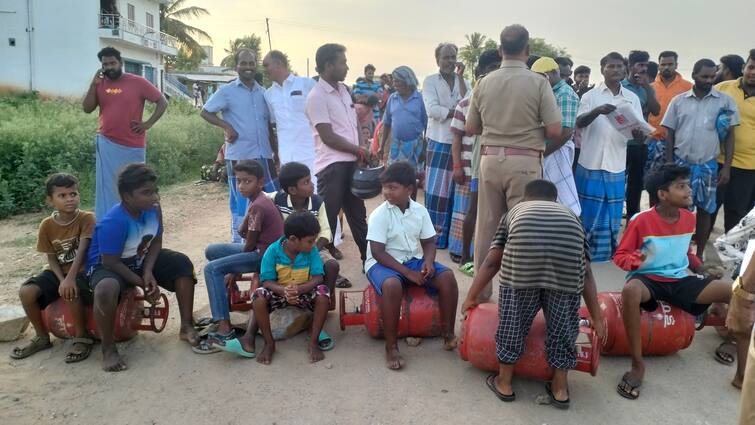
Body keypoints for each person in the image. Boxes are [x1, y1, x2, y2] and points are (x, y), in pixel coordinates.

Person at [462, 179, 605, 409]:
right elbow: (586, 271)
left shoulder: (516, 211)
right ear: (554, 200)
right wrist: (597, 317)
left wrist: (471, 296)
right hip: (565, 280)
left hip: (521, 277)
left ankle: (505, 383)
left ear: (525, 198)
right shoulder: (572, 216)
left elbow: (492, 261)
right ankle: (560, 389)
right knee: (562, 329)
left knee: (513, 324)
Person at [614, 164, 745, 398]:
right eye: (681, 186)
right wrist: (640, 258)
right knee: (631, 291)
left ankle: (731, 340)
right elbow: (620, 257)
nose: (688, 191)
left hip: (678, 280)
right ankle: (637, 364)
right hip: (648, 280)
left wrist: (701, 267)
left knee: (735, 292)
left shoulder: (688, 218)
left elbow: (687, 253)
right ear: (663, 195)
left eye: (687, 185)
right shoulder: (640, 220)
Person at [466, 25, 562, 300]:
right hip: (525, 163)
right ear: (528, 51)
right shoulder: (538, 82)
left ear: (500, 50)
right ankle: (519, 297)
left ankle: (481, 296)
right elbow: (555, 131)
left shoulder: (484, 82)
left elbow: (472, 127)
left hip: (490, 161)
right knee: (523, 230)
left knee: (487, 229)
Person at [84, 164, 198, 371]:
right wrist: (143, 284)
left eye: (155, 190)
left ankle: (186, 325)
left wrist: (147, 271)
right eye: (146, 193)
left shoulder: (153, 209)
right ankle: (108, 349)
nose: (154, 197)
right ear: (127, 196)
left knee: (182, 263)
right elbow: (110, 261)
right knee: (105, 289)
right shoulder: (114, 221)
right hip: (108, 265)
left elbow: (156, 241)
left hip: (139, 258)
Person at [365, 162, 459, 370]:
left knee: (448, 277)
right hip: (381, 262)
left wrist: (427, 262)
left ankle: (448, 334)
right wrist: (408, 273)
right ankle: (391, 347)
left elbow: (429, 242)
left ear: (409, 189)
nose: (387, 192)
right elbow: (378, 252)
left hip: (412, 259)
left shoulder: (420, 211)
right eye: (385, 187)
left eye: (392, 187)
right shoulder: (379, 214)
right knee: (392, 285)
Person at [194, 160, 285, 353]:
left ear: (260, 182)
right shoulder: (258, 200)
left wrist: (232, 270)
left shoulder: (258, 205)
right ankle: (227, 296)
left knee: (212, 269)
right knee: (212, 250)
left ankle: (224, 328)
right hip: (261, 248)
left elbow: (249, 245)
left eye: (247, 181)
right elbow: (246, 232)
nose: (241, 186)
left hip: (264, 256)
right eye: (239, 181)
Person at [10, 174, 96, 363]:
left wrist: (70, 279)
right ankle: (41, 337)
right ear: (50, 200)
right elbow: (51, 257)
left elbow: (82, 250)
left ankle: (82, 337)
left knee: (70, 291)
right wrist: (61, 278)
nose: (69, 199)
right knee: (27, 292)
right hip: (60, 271)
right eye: (62, 195)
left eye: (73, 193)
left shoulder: (86, 218)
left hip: (81, 270)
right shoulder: (47, 225)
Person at [662, 58, 739, 260]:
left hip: (707, 165)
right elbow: (669, 133)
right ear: (694, 75)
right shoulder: (679, 101)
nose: (709, 80)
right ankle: (676, 253)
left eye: (712, 76)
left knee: (705, 210)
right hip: (681, 163)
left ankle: (700, 254)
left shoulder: (725, 102)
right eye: (704, 76)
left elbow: (730, 136)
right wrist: (669, 164)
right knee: (677, 210)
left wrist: (727, 168)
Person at [202, 48, 279, 243]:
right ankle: (239, 244)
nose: (247, 67)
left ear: (256, 65)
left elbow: (269, 126)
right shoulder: (227, 91)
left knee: (269, 198)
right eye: (243, 63)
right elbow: (206, 112)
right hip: (239, 156)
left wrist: (276, 153)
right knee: (240, 202)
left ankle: (265, 242)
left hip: (264, 156)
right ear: (236, 66)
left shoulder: (264, 93)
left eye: (251, 63)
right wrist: (227, 127)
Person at [82, 46, 168, 219]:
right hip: (106, 142)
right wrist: (93, 84)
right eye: (105, 64)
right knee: (108, 187)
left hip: (133, 144)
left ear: (121, 63)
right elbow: (87, 108)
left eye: (112, 63)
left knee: (137, 184)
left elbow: (162, 102)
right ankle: (108, 222)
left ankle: (139, 220)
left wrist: (147, 124)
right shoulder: (100, 84)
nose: (109, 67)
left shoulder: (138, 82)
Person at [575, 51, 644, 262]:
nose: (616, 70)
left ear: (625, 69)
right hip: (590, 162)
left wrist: (640, 135)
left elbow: (639, 133)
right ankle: (581, 252)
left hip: (615, 162)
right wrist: (598, 111)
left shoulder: (632, 98)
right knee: (587, 211)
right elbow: (579, 122)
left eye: (619, 66)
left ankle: (606, 253)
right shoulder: (590, 96)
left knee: (611, 214)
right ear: (602, 69)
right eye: (611, 66)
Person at [305, 43, 369, 267]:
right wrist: (358, 150)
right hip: (331, 166)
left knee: (358, 217)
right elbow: (328, 136)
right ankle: (318, 268)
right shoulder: (316, 96)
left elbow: (356, 125)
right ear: (328, 65)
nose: (347, 67)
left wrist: (362, 147)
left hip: (350, 162)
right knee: (327, 221)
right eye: (342, 63)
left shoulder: (344, 91)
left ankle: (368, 262)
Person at [249, 212, 331, 364]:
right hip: (279, 294)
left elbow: (318, 277)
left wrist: (300, 289)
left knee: (323, 293)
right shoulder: (273, 251)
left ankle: (313, 341)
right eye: (310, 241)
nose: (314, 245)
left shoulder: (311, 251)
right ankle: (269, 343)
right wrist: (284, 291)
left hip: (304, 293)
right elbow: (267, 281)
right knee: (258, 296)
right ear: (293, 239)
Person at [449, 49, 502, 273]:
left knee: (493, 215)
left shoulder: (504, 97)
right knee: (472, 211)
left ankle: (490, 257)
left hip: (496, 162)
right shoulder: (468, 101)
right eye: (491, 68)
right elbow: (457, 135)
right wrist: (458, 165)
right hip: (475, 164)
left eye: (498, 67)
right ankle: (464, 256)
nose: (495, 72)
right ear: (480, 71)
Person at [422, 43, 470, 249]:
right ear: (437, 60)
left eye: (453, 57)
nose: (450, 61)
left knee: (456, 192)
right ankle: (435, 239)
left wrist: (460, 78)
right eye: (446, 57)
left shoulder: (464, 81)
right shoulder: (430, 81)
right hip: (439, 141)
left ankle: (452, 240)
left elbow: (469, 102)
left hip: (460, 143)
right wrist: (458, 112)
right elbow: (433, 110)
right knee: (436, 193)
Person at [262, 50, 319, 190]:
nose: (264, 70)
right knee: (292, 193)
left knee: (315, 190)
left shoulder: (307, 84)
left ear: (279, 64)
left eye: (266, 65)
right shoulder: (268, 94)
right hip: (286, 154)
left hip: (311, 152)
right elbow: (274, 122)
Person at [532, 57, 582, 216]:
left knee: (561, 197)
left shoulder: (565, 94)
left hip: (556, 150)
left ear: (555, 73)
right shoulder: (547, 91)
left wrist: (541, 154)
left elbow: (566, 132)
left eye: (543, 77)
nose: (540, 81)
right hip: (545, 149)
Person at [714, 50, 755, 233]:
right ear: (743, 68)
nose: (753, 72)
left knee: (737, 213)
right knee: (708, 208)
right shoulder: (723, 88)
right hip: (717, 159)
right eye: (751, 67)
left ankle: (731, 258)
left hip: (748, 165)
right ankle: (698, 253)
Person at [621, 50, 661, 221]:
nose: (644, 68)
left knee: (636, 185)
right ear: (630, 66)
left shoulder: (648, 88)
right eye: (640, 64)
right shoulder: (620, 86)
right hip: (621, 143)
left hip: (640, 144)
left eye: (646, 64)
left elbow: (656, 111)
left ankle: (632, 218)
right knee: (618, 180)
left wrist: (646, 87)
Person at [379, 66, 427, 198]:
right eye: (393, 81)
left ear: (407, 80)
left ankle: (410, 208)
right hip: (396, 146)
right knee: (393, 180)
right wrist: (382, 147)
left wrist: (424, 149)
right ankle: (393, 208)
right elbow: (387, 123)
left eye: (397, 81)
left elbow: (427, 125)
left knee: (411, 180)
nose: (394, 84)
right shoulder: (392, 99)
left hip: (415, 146)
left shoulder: (420, 99)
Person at [646, 51, 693, 172]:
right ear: (659, 66)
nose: (666, 67)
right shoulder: (650, 87)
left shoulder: (688, 87)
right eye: (663, 64)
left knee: (674, 181)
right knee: (652, 179)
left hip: (678, 143)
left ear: (676, 65)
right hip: (653, 141)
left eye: (670, 64)